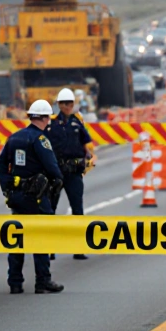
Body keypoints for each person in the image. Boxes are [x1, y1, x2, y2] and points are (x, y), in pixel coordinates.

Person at [0, 100, 65, 294]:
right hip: (37, 197)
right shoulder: (41, 139)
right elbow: (52, 167)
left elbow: (2, 166)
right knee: (41, 237)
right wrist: (58, 180)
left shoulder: (14, 138)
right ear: (45, 118)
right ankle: (42, 281)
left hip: (17, 197)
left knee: (17, 238)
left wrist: (7, 189)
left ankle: (15, 282)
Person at [48, 88, 94, 260]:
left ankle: (78, 248)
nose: (67, 106)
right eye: (64, 103)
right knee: (50, 210)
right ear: (59, 105)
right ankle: (49, 249)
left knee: (77, 210)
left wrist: (89, 158)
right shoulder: (50, 123)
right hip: (55, 173)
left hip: (74, 173)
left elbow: (86, 143)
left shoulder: (77, 122)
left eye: (70, 103)